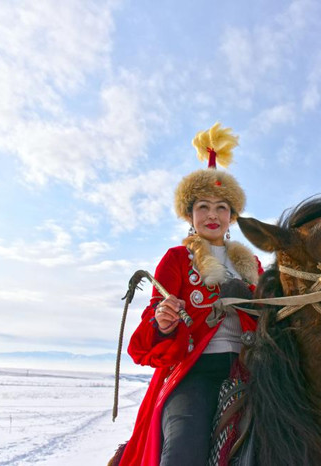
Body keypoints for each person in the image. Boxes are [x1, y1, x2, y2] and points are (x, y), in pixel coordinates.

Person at [116, 123, 263, 466]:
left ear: (232, 216)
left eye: (221, 207)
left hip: (253, 367)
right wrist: (163, 320)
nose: (213, 214)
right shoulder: (177, 259)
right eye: (203, 206)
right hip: (195, 370)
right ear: (190, 215)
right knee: (183, 453)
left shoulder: (252, 263)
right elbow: (154, 316)